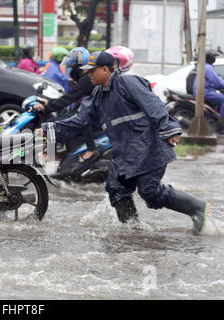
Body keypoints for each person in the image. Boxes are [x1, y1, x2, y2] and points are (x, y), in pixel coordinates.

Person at [42, 51, 210, 235]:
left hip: (148, 147)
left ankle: (198, 209)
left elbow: (153, 104)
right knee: (116, 188)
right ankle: (132, 230)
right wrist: (49, 129)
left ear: (105, 69)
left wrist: (169, 128)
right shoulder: (98, 94)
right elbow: (81, 120)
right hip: (125, 152)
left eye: (92, 71)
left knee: (150, 192)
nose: (88, 75)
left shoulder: (127, 83)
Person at [34, 47, 99, 178]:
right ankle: (58, 153)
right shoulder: (84, 78)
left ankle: (52, 154)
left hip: (92, 115)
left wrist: (46, 107)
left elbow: (68, 99)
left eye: (73, 66)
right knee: (62, 119)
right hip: (88, 110)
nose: (71, 70)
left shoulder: (87, 79)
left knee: (53, 123)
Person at [193, 49, 224, 123]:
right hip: (204, 92)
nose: (214, 59)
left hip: (203, 91)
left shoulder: (205, 66)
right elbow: (217, 82)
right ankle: (222, 122)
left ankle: (215, 120)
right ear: (210, 58)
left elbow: (214, 83)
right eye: (214, 57)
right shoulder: (208, 68)